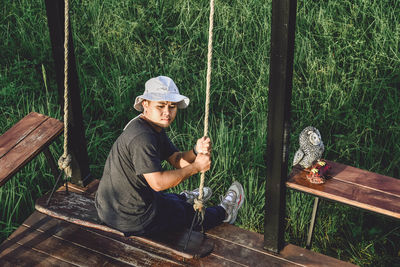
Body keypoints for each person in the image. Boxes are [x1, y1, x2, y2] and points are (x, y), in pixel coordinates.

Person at [95, 76, 245, 237]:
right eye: (160, 106)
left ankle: (180, 198)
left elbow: (176, 160)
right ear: (145, 104)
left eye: (172, 106)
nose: (167, 113)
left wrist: (195, 151)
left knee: (169, 202)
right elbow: (158, 183)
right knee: (187, 214)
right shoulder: (142, 138)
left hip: (111, 206)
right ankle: (225, 212)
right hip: (131, 218)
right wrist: (195, 167)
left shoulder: (152, 125)